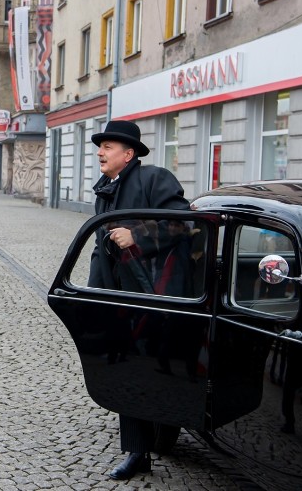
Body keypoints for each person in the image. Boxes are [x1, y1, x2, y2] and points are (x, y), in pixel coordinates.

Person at [87, 120, 189, 481]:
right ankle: (138, 451)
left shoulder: (154, 179)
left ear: (128, 154)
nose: (100, 152)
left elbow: (183, 223)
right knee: (124, 368)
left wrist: (138, 235)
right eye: (100, 147)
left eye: (108, 147)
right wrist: (93, 295)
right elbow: (101, 250)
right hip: (118, 297)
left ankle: (155, 439)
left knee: (149, 368)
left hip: (155, 298)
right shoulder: (105, 190)